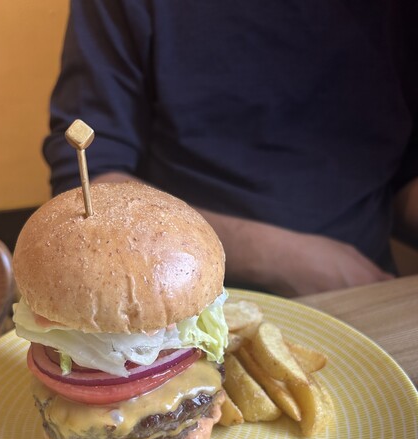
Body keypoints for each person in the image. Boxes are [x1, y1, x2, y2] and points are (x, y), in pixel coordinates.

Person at [43, 0, 418, 296]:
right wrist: (275, 256)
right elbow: (88, 180)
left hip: (371, 291)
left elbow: (403, 173)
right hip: (185, 295)